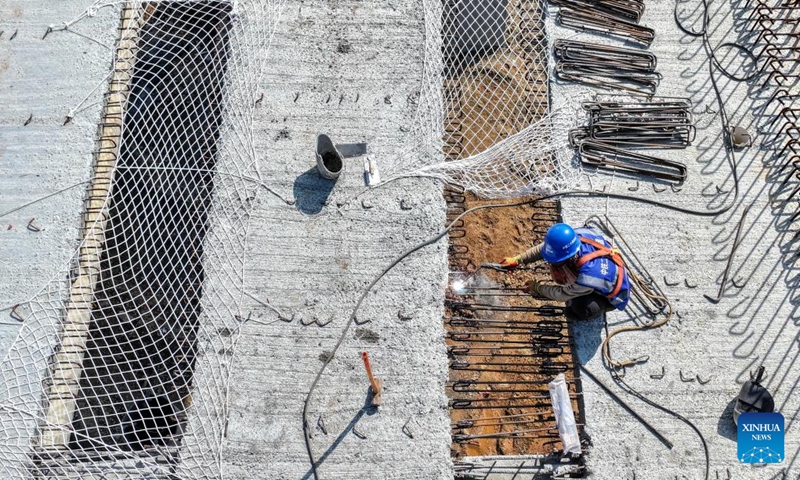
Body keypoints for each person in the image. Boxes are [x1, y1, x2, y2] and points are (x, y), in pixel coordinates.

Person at [498, 223, 630, 319]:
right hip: (605, 265)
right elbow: (546, 248)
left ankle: (588, 313)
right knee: (571, 281)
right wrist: (518, 259)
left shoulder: (587, 278)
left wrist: (538, 288)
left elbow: (561, 294)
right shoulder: (574, 236)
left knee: (580, 307)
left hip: (612, 295)